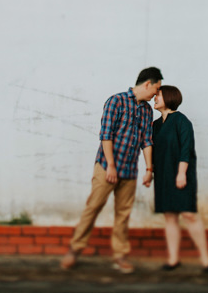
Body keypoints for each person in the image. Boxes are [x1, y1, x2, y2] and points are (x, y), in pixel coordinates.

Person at [60, 67, 163, 274]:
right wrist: (111, 166)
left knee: (123, 215)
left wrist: (149, 169)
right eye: (156, 89)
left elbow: (146, 141)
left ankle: (120, 256)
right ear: (147, 84)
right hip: (107, 168)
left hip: (129, 171)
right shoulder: (116, 101)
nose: (156, 94)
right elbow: (106, 135)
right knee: (93, 207)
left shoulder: (146, 111)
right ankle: (75, 249)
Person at [152, 85, 208, 273]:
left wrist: (181, 174)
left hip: (181, 174)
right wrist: (150, 171)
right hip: (162, 175)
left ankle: (206, 260)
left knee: (189, 215)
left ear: (170, 98)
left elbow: (186, 149)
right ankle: (173, 259)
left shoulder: (182, 121)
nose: (155, 98)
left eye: (159, 95)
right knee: (170, 216)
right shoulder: (155, 125)